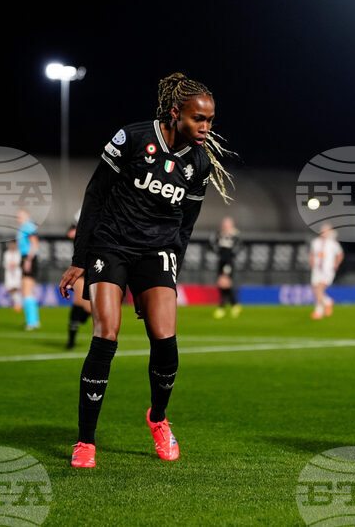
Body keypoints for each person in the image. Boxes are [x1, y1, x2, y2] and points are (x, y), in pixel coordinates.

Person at [58, 72, 234, 469]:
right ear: (176, 113)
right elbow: (95, 193)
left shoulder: (199, 164)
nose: (205, 127)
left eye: (210, 120)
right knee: (106, 336)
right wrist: (79, 259)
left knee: (166, 342)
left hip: (157, 253)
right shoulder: (133, 139)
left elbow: (184, 228)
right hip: (111, 245)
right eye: (198, 119)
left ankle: (158, 417)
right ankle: (85, 441)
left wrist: (166, 281)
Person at [65, 212, 92, 348]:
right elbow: (70, 233)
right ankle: (71, 340)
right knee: (78, 301)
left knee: (89, 308)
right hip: (81, 268)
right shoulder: (79, 221)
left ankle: (78, 320)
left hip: (95, 267)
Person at [309, 223, 343, 319]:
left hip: (327, 270)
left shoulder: (333, 243)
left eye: (326, 230)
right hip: (317, 269)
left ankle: (319, 311)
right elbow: (312, 253)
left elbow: (340, 254)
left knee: (319, 288)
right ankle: (327, 302)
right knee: (316, 290)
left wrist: (336, 264)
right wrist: (311, 262)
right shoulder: (315, 242)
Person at [210, 216, 241, 319]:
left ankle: (222, 308)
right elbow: (212, 244)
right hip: (221, 262)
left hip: (228, 262)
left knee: (224, 283)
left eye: (228, 225)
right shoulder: (219, 235)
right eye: (224, 224)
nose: (226, 227)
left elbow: (238, 248)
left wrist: (231, 255)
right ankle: (234, 304)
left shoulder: (235, 236)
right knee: (223, 284)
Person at [16, 209, 40, 330]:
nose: (18, 218)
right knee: (26, 291)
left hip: (29, 258)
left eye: (20, 216)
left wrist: (28, 260)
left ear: (27, 216)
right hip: (25, 258)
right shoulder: (24, 227)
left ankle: (32, 322)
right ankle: (33, 320)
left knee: (27, 291)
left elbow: (35, 243)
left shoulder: (28, 226)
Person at [2, 240, 22, 312]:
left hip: (17, 274)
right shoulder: (7, 254)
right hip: (9, 274)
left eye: (14, 244)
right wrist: (10, 265)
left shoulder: (19, 253)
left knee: (16, 287)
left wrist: (15, 264)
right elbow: (5, 264)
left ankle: (18, 304)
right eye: (12, 244)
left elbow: (20, 263)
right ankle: (17, 303)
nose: (13, 246)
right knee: (9, 289)